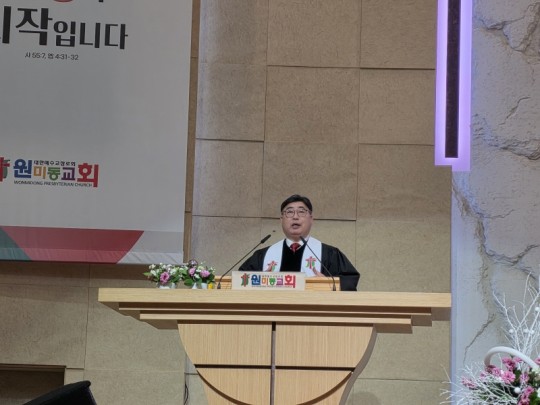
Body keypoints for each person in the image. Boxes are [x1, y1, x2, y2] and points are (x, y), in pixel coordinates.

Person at [239, 194, 360, 291]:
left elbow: (349, 281)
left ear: (311, 219)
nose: (295, 217)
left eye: (301, 212)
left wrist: (327, 283)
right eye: (289, 212)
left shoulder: (329, 254)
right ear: (281, 220)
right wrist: (259, 280)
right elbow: (240, 280)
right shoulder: (263, 256)